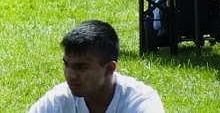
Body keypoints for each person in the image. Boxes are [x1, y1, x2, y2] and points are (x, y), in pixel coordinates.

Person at [28, 20, 163, 113]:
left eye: (81, 67)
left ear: (109, 69)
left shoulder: (140, 103)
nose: (70, 75)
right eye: (66, 65)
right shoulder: (59, 101)